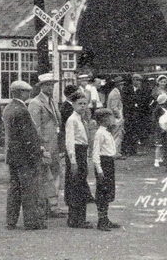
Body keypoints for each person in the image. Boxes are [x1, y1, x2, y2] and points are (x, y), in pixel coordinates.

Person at [5, 80, 46, 231]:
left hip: (13, 155)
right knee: (29, 189)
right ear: (21, 92)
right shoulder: (22, 110)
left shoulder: (9, 107)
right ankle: (31, 221)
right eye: (26, 91)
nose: (29, 94)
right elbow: (28, 136)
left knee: (14, 189)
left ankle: (11, 221)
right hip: (25, 156)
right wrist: (38, 152)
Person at [28, 73, 64, 218]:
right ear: (41, 86)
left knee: (56, 174)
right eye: (48, 84)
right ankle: (46, 206)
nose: (51, 87)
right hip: (45, 146)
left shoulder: (53, 102)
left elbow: (57, 123)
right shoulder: (36, 103)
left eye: (52, 85)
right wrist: (40, 146)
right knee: (45, 177)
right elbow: (35, 127)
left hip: (54, 144)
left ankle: (53, 205)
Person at [65, 91, 95, 229]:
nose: (83, 106)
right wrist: (73, 161)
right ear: (73, 104)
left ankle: (79, 218)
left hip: (82, 151)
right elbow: (70, 141)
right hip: (76, 153)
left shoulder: (81, 119)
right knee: (75, 186)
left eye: (85, 104)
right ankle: (75, 219)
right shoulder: (72, 120)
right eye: (80, 104)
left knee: (81, 184)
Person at [91, 108, 120, 231]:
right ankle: (101, 220)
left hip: (109, 162)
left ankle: (105, 218)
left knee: (108, 190)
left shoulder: (107, 132)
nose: (112, 120)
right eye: (110, 117)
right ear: (104, 119)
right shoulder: (100, 133)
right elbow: (95, 153)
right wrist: (99, 169)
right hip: (103, 163)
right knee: (102, 191)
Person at [121, 73, 148, 156]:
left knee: (135, 132)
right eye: (137, 80)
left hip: (138, 115)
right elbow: (125, 101)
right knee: (128, 132)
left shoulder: (141, 90)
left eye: (140, 80)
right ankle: (126, 150)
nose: (139, 82)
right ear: (133, 80)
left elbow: (143, 101)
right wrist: (134, 105)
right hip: (129, 114)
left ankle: (133, 150)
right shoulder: (127, 89)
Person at [151, 75, 167, 168]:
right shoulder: (155, 91)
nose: (163, 83)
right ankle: (157, 159)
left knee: (165, 140)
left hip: (166, 111)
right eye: (161, 81)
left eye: (164, 82)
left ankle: (162, 157)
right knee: (159, 141)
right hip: (160, 114)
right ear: (158, 82)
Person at [106, 76, 125, 155]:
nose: (122, 86)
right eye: (121, 85)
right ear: (118, 85)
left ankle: (115, 152)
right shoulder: (115, 93)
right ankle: (115, 153)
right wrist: (119, 117)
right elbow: (114, 107)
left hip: (113, 117)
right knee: (116, 135)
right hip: (115, 118)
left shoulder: (114, 92)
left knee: (115, 135)